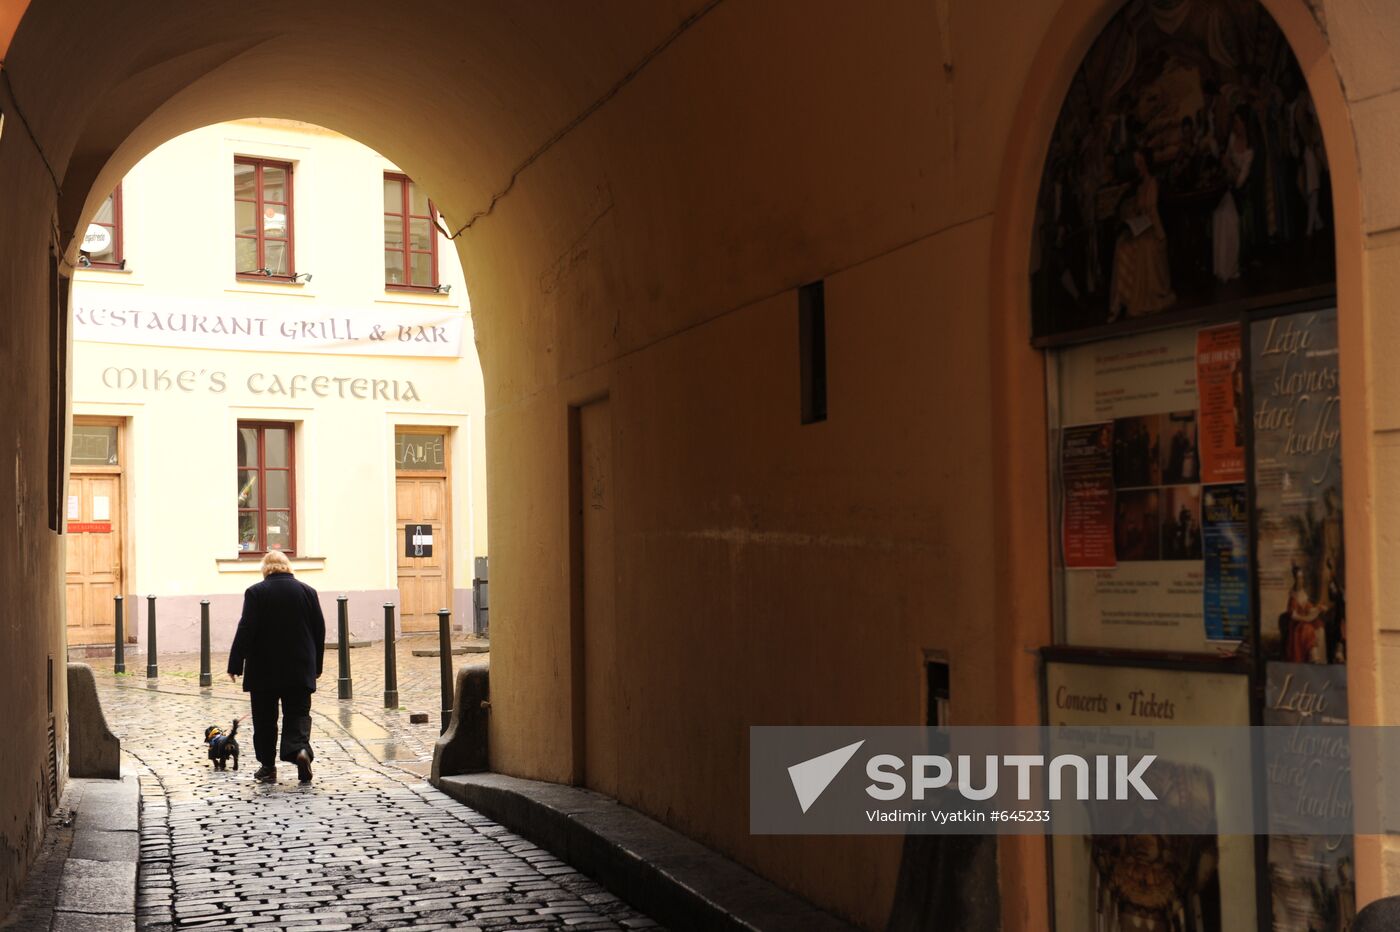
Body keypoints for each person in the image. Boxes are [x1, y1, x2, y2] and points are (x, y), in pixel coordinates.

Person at [228, 549, 326, 784]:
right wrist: (317, 666)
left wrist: (235, 663)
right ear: (288, 567)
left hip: (264, 670)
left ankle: (268, 767)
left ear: (265, 570)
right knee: (298, 714)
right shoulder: (308, 592)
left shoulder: (256, 592)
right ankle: (300, 751)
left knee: (264, 720)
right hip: (300, 667)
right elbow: (319, 630)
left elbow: (246, 629)